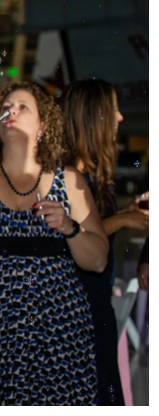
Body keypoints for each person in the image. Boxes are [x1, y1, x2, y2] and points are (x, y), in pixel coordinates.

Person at [0, 80, 106, 404]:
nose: (12, 111)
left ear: (43, 126)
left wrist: (69, 226)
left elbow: (98, 260)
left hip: (58, 328)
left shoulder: (69, 180)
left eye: (24, 107)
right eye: (6, 107)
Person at [61, 79, 145, 406]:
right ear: (91, 117)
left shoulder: (89, 173)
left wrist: (125, 213)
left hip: (94, 300)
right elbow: (66, 239)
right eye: (113, 110)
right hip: (79, 306)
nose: (121, 118)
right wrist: (122, 220)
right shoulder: (66, 176)